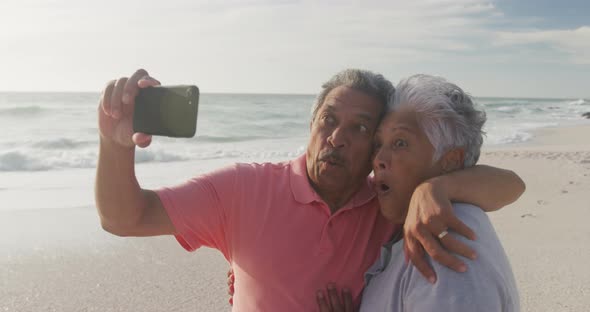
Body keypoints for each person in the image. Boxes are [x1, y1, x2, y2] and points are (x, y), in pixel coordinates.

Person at [95, 68, 524, 311]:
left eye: (360, 129)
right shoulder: (244, 189)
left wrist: (440, 186)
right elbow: (124, 218)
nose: (337, 138)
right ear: (312, 121)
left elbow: (509, 185)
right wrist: (114, 145)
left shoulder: (388, 203)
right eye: (329, 119)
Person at [316, 74, 520, 311]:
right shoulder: (431, 220)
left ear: (451, 161)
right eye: (378, 144)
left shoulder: (445, 254)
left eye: (400, 143)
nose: (379, 159)